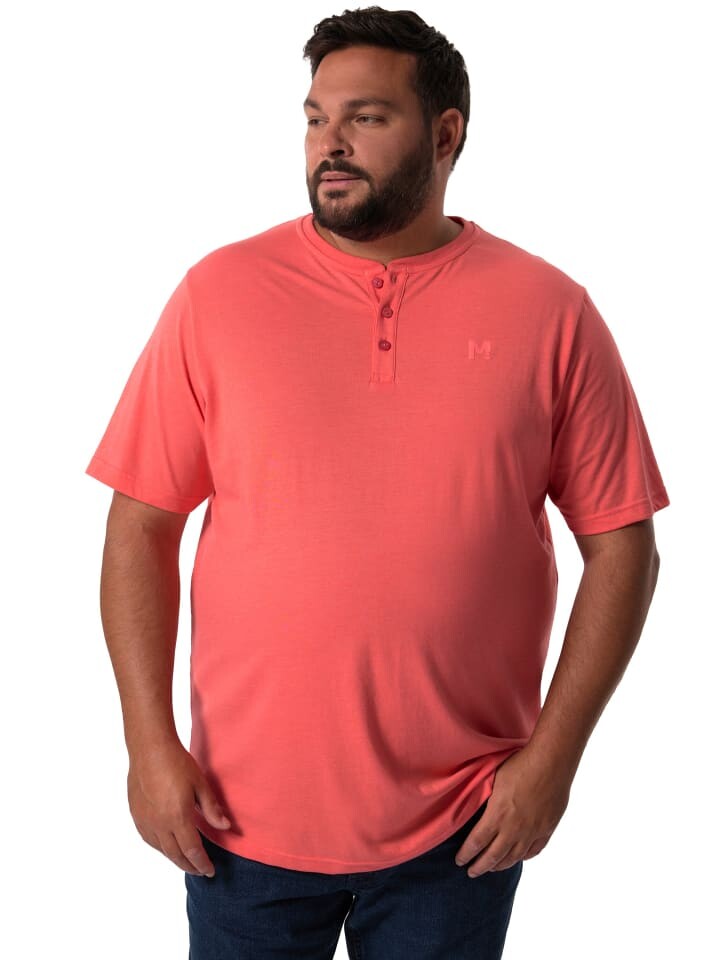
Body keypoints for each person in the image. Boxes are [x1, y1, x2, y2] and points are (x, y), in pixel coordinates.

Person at [85, 7, 670, 959]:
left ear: (445, 134)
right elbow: (139, 524)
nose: (331, 143)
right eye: (316, 118)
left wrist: (553, 763)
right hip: (235, 821)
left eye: (366, 117)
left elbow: (624, 548)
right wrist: (148, 748)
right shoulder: (218, 294)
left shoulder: (550, 311)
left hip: (464, 827)